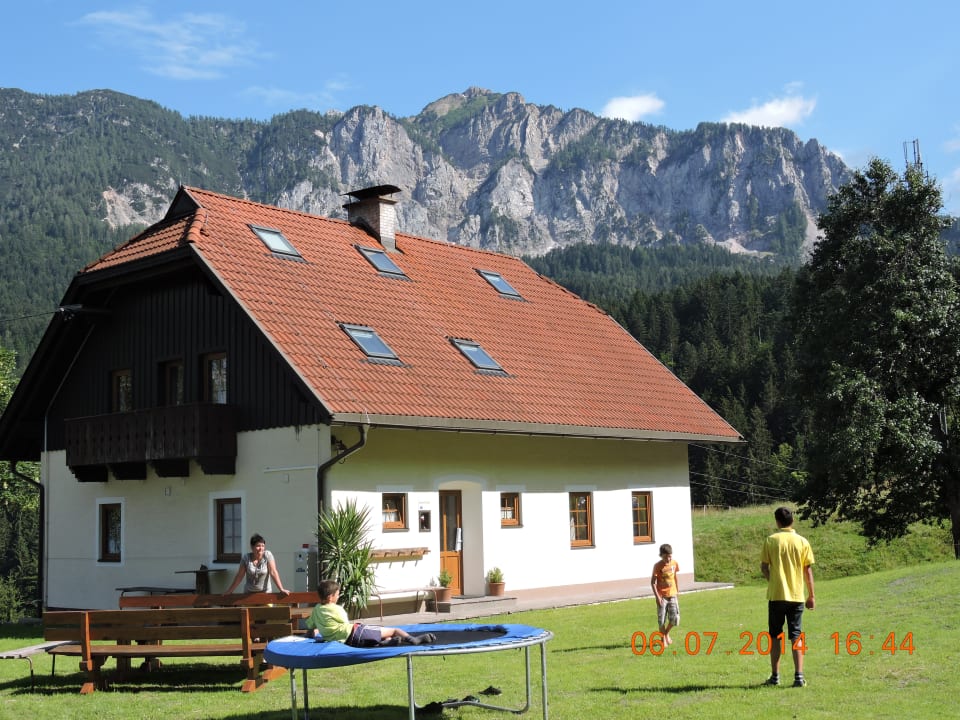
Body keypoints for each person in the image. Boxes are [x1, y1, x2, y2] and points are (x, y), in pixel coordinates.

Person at [760, 506, 815, 688]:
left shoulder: (771, 540)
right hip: (797, 595)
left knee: (775, 636)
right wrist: (811, 595)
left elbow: (764, 567)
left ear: (777, 522)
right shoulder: (802, 541)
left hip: (776, 595)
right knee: (796, 636)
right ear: (793, 520)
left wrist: (772, 581)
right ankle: (799, 676)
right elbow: (808, 571)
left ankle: (775, 676)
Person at [306, 579, 436, 646]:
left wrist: (314, 633)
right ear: (330, 597)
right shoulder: (337, 609)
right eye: (337, 595)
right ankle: (414, 639)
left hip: (348, 642)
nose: (338, 597)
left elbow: (311, 627)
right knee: (393, 630)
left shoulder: (316, 610)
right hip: (354, 633)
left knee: (376, 636)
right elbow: (346, 624)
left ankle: (388, 641)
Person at [225, 533, 291, 595]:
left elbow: (273, 572)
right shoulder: (246, 558)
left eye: (263, 546)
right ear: (252, 547)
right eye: (258, 546)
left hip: (265, 593)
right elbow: (239, 576)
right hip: (248, 594)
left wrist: (281, 589)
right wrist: (230, 591)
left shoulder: (267, 555)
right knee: (246, 607)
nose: (261, 548)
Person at [650, 543, 680, 646]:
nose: (668, 559)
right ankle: (663, 639)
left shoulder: (674, 563)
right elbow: (653, 582)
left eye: (670, 556)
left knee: (675, 618)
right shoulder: (657, 566)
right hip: (662, 597)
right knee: (661, 620)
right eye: (666, 557)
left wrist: (677, 591)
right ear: (661, 555)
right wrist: (658, 597)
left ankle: (666, 634)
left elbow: (675, 577)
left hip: (673, 595)